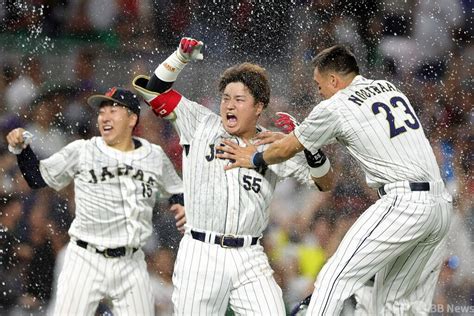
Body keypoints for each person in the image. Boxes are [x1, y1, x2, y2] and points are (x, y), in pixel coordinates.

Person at [217, 45, 453, 315]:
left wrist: (254, 158)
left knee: (333, 277)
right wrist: (289, 140)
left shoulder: (335, 105)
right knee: (397, 306)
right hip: (439, 206)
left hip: (404, 203)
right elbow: (310, 140)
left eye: (319, 85)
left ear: (333, 80)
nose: (319, 93)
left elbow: (288, 149)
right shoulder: (388, 88)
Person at [132, 37, 329, 315]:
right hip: (201, 252)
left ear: (259, 107)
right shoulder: (200, 123)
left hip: (249, 257)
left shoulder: (274, 146)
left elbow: (324, 181)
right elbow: (154, 92)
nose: (229, 106)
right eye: (226, 98)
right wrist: (179, 57)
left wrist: (308, 146)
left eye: (239, 99)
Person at [6, 87, 185, 315]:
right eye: (102, 112)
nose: (105, 117)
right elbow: (37, 178)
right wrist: (22, 150)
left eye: (113, 111)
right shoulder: (82, 150)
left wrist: (181, 205)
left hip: (130, 262)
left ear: (132, 119)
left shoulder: (154, 156)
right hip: (86, 258)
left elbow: (176, 190)